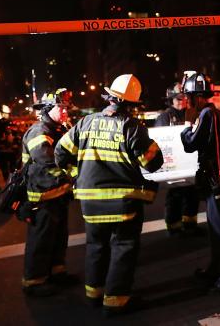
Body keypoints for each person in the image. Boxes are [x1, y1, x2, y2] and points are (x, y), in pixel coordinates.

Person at [55, 74, 163, 317]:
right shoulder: (132, 127)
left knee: (96, 246)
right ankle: (115, 302)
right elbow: (152, 163)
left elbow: (60, 152)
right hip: (123, 202)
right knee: (123, 247)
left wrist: (77, 173)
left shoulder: (85, 123)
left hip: (90, 202)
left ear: (110, 97)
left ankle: (94, 294)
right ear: (133, 104)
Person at [180, 71, 220, 294]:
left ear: (196, 96)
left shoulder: (206, 115)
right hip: (219, 180)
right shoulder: (214, 114)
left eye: (188, 97)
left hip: (217, 182)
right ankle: (216, 270)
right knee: (217, 231)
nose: (187, 101)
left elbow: (190, 143)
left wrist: (187, 126)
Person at [19, 88, 77, 297]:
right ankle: (33, 281)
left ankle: (56, 272)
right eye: (62, 108)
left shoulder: (57, 130)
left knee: (58, 237)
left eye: (66, 109)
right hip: (42, 196)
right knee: (41, 239)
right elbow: (48, 162)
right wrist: (77, 173)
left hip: (57, 194)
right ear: (49, 109)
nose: (65, 113)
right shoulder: (39, 132)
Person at [154, 81, 201, 236]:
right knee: (175, 195)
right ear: (171, 100)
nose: (183, 101)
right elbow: (160, 140)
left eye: (185, 97)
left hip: (190, 160)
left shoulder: (192, 113)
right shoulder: (164, 117)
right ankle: (174, 227)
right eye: (179, 98)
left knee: (192, 194)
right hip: (174, 163)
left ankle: (190, 225)